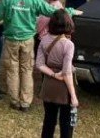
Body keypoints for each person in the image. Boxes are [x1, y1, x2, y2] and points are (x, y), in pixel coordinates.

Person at [0, 0, 62, 112]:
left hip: (11, 40)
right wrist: (70, 11)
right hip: (28, 39)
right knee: (27, 70)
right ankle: (25, 102)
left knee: (12, 70)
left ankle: (14, 100)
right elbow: (54, 12)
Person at [37, 9, 79, 138]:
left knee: (49, 121)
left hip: (48, 85)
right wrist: (73, 95)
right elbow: (66, 72)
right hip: (64, 88)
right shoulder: (68, 44)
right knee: (66, 123)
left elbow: (39, 64)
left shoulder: (44, 40)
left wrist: (53, 75)